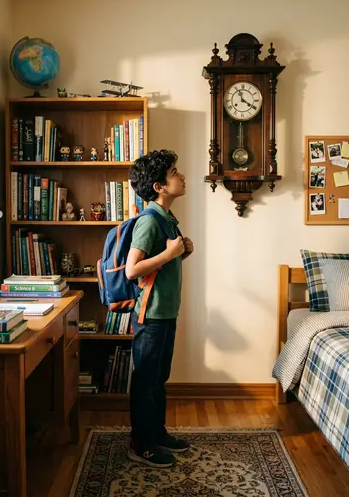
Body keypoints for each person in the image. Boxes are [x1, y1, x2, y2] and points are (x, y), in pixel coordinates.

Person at [125, 149, 194, 468]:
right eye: (174, 172)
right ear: (159, 187)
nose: (181, 176)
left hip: (165, 312)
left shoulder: (167, 219)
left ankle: (158, 433)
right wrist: (170, 255)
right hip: (150, 316)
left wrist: (181, 252)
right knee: (146, 380)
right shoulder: (149, 221)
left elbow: (162, 264)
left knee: (159, 378)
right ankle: (141, 444)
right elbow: (132, 270)